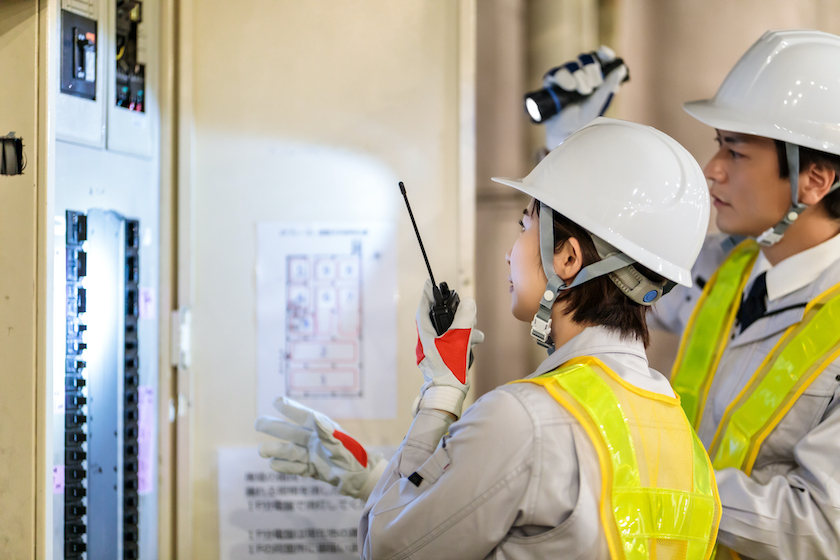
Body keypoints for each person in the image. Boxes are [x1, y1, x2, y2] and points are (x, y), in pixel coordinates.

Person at [256, 117, 721, 559]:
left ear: (568, 260)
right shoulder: (684, 440)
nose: (508, 253)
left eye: (524, 226)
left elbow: (388, 547)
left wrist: (440, 394)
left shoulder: (524, 419)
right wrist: (376, 479)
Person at [613, 30, 840, 560]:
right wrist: (571, 143)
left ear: (814, 181)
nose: (712, 169)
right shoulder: (728, 266)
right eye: (718, 144)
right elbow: (624, 271)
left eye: (735, 152)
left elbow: (821, 526)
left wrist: (665, 481)